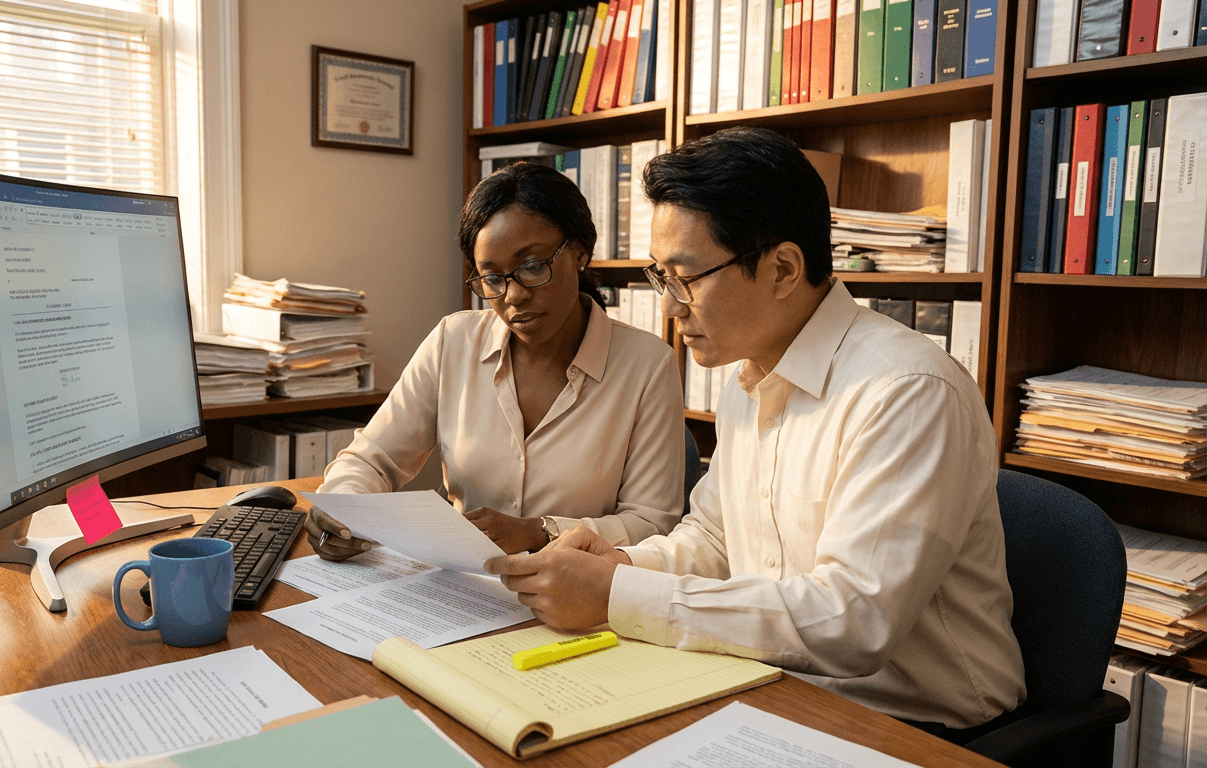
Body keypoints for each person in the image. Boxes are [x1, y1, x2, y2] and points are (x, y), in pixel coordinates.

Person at [485, 127, 1026, 735]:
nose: (669, 306)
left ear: (784, 268)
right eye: (659, 276)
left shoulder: (906, 392)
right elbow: (717, 543)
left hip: (914, 725)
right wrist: (621, 563)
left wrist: (617, 594)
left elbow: (854, 623)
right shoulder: (750, 373)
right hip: (774, 684)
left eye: (685, 277)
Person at [307, 162, 685, 558]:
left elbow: (653, 524)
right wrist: (345, 508)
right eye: (492, 278)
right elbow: (372, 458)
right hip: (459, 584)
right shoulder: (454, 342)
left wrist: (543, 533)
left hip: (574, 596)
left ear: (579, 253)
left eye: (533, 266)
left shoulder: (647, 366)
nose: (513, 296)